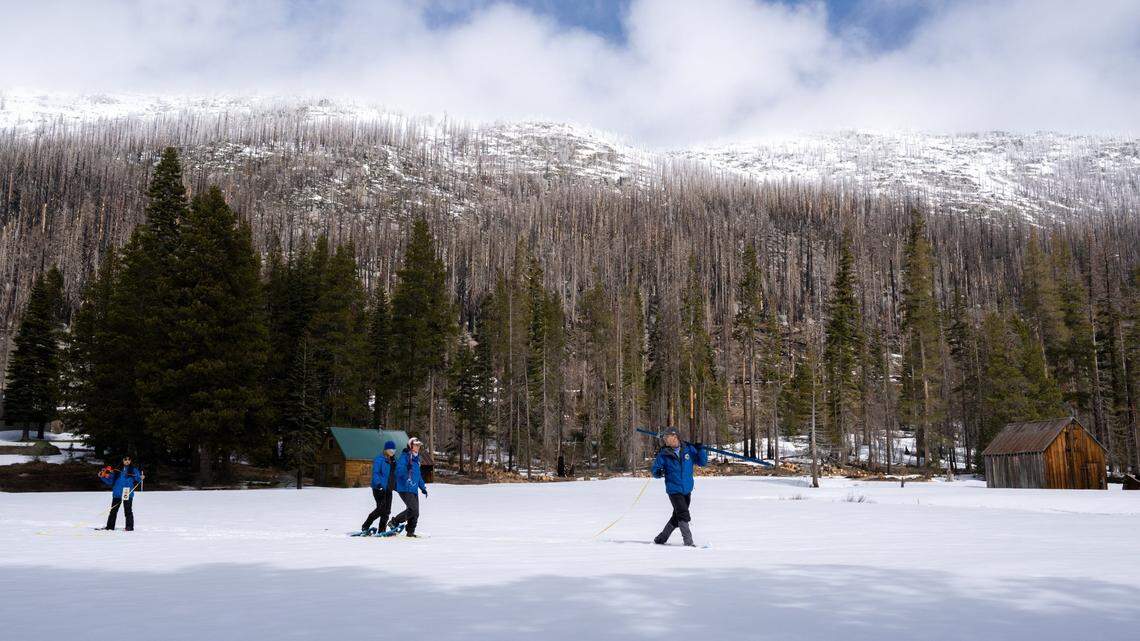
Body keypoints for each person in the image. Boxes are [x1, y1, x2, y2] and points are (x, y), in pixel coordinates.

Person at [650, 428, 707, 547]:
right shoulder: (664, 454)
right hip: (674, 489)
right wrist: (658, 472)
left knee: (677, 517)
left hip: (687, 489)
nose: (665, 440)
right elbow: (655, 470)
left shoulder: (689, 449)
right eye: (664, 438)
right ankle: (688, 542)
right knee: (683, 514)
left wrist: (700, 449)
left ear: (675, 437)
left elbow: (702, 462)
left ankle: (661, 539)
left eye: (667, 438)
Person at [388, 437, 428, 537]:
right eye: (416, 445)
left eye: (419, 445)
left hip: (413, 488)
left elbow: (417, 476)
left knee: (416, 512)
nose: (418, 447)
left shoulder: (417, 459)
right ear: (410, 446)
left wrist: (423, 488)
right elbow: (398, 471)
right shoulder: (405, 457)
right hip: (404, 487)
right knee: (413, 509)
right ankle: (394, 522)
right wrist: (406, 469)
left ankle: (410, 531)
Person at [361, 440, 398, 534]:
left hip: (388, 489)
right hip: (379, 488)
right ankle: (366, 525)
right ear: (386, 449)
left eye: (394, 449)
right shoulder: (379, 459)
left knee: (387, 511)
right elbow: (376, 473)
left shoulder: (393, 461)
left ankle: (382, 530)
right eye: (390, 449)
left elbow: (394, 475)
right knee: (381, 509)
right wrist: (378, 484)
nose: (392, 451)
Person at [98, 455, 144, 531]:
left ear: (130, 461)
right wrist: (102, 476)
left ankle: (129, 527)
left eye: (129, 460)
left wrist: (141, 477)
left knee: (128, 511)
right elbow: (110, 481)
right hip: (117, 493)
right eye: (125, 459)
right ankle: (110, 527)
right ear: (123, 460)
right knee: (113, 511)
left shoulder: (134, 470)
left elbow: (138, 478)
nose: (127, 461)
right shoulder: (116, 470)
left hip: (127, 493)